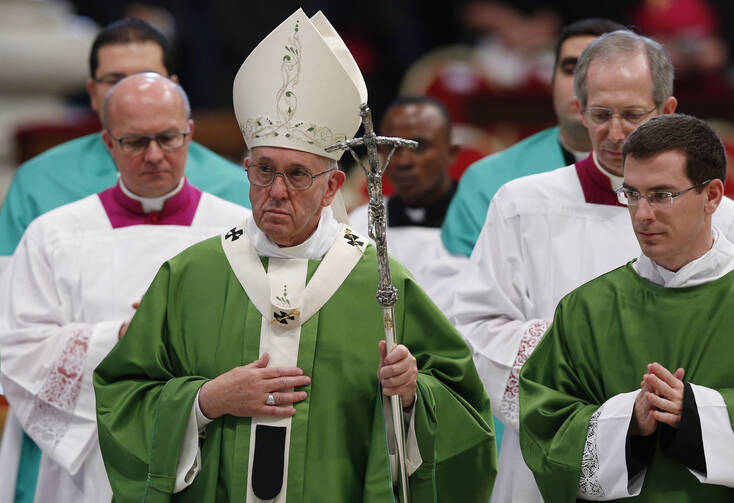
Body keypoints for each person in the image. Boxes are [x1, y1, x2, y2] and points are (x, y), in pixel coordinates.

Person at [93, 9, 496, 502]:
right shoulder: (190, 275)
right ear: (245, 170)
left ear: (332, 187)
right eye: (264, 170)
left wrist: (413, 396)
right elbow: (121, 399)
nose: (276, 191)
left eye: (297, 175)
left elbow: (466, 418)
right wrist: (204, 401)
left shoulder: (380, 281)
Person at [450, 30, 734, 502]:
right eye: (601, 115)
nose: (616, 132)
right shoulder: (522, 204)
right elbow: (474, 330)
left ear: (666, 110)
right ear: (580, 110)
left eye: (632, 115)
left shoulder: (721, 215)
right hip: (560, 449)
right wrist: (577, 352)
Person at [0, 74, 249, 503]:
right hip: (93, 454)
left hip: (209, 443)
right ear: (108, 142)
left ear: (189, 132)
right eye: (135, 142)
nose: (154, 156)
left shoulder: (239, 230)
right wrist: (119, 337)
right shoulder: (54, 234)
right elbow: (19, 348)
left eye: (168, 138)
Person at [520, 113, 734, 501]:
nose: (642, 214)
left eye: (662, 195)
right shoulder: (585, 309)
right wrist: (626, 422)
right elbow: (545, 432)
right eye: (632, 194)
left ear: (713, 195)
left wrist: (698, 414)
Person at [0, 17, 251, 273]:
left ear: (174, 88)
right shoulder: (37, 183)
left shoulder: (234, 188)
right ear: (92, 93)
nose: (132, 92)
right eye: (114, 80)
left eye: (147, 78)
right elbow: (11, 290)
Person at [439, 17, 626, 259]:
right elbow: (459, 282)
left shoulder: (673, 180)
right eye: (571, 69)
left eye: (601, 69)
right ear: (551, 80)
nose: (582, 84)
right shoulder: (487, 182)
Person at [348, 95, 458, 290]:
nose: (403, 161)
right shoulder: (360, 225)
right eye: (391, 147)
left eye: (419, 146)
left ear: (451, 152)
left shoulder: (482, 220)